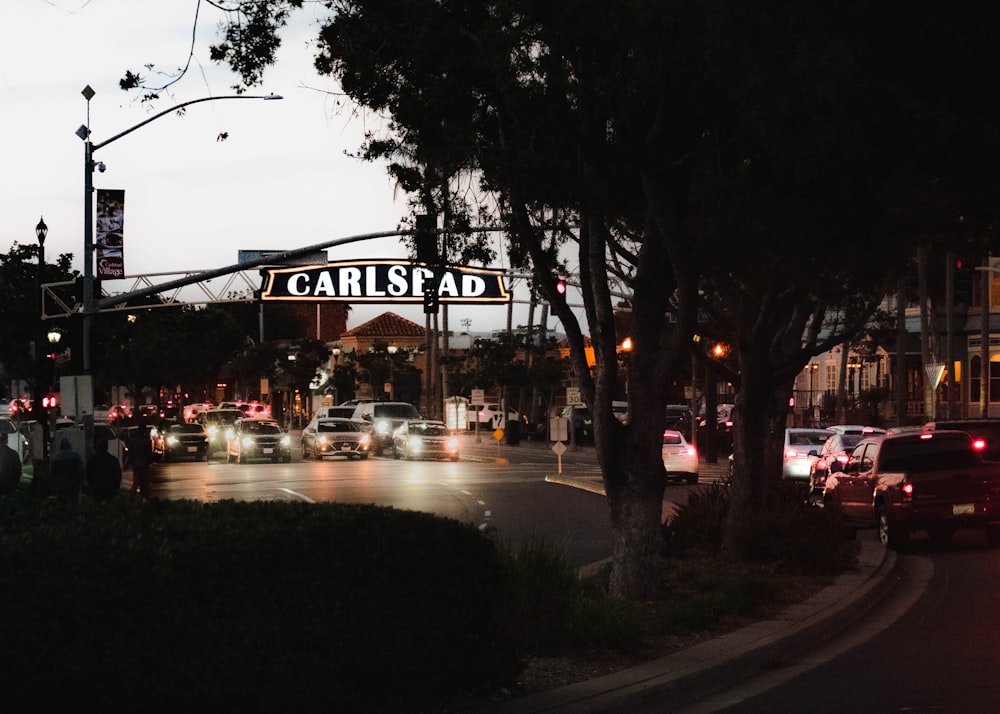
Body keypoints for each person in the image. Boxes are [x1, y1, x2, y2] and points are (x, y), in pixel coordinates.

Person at [49, 437, 84, 503]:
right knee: (73, 503)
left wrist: (53, 485)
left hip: (60, 485)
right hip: (73, 485)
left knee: (61, 504)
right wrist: (80, 482)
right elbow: (81, 470)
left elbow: (52, 473)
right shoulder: (76, 456)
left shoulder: (55, 457)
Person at [128, 426, 153, 498]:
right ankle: (145, 498)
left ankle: (130, 498)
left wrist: (130, 463)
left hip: (136, 464)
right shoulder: (147, 441)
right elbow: (149, 454)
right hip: (144, 464)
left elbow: (130, 454)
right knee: (145, 483)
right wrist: (150, 462)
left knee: (136, 482)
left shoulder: (133, 441)